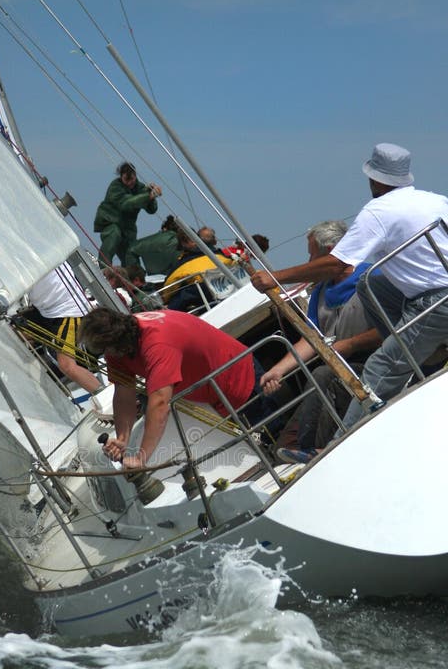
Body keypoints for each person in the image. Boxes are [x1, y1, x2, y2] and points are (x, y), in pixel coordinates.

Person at [251, 143, 448, 443]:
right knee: (372, 284)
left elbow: (338, 263)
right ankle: (419, 350)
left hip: (436, 302)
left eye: (313, 256)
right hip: (433, 297)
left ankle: (341, 444)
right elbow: (313, 334)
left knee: (379, 369)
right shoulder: (436, 201)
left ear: (374, 179)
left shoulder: (379, 211)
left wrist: (275, 278)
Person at [79, 307, 264, 470]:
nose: (105, 355)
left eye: (104, 350)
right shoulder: (121, 344)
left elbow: (160, 403)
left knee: (270, 441)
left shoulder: (157, 344)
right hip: (212, 395)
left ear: (114, 343)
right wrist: (122, 440)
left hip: (240, 383)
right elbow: (124, 395)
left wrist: (141, 458)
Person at [258, 221, 381, 463]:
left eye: (312, 254)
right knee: (322, 376)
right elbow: (312, 339)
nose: (309, 262)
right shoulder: (320, 293)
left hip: (376, 364)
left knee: (323, 375)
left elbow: (391, 328)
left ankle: (315, 450)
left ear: (332, 252)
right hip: (342, 370)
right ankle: (302, 450)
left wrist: (351, 345)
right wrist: (278, 370)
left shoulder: (372, 277)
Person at [0, 250, 101, 394]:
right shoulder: (12, 253)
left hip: (69, 312)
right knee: (10, 334)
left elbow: (1, 265)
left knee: (67, 366)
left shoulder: (33, 249)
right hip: (46, 312)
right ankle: (24, 382)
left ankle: (102, 395)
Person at [93, 162, 162, 267]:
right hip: (110, 222)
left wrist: (151, 196)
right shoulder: (115, 187)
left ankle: (135, 278)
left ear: (135, 176)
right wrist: (148, 196)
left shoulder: (140, 188)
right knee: (113, 235)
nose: (130, 183)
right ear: (121, 177)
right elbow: (126, 203)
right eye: (126, 180)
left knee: (131, 254)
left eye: (132, 179)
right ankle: (104, 268)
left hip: (127, 229)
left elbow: (151, 210)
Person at [161, 227, 235, 312]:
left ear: (183, 244)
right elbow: (230, 262)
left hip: (204, 293)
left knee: (185, 293)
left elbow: (169, 286)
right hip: (227, 286)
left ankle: (169, 312)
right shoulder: (216, 252)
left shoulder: (183, 264)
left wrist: (167, 301)